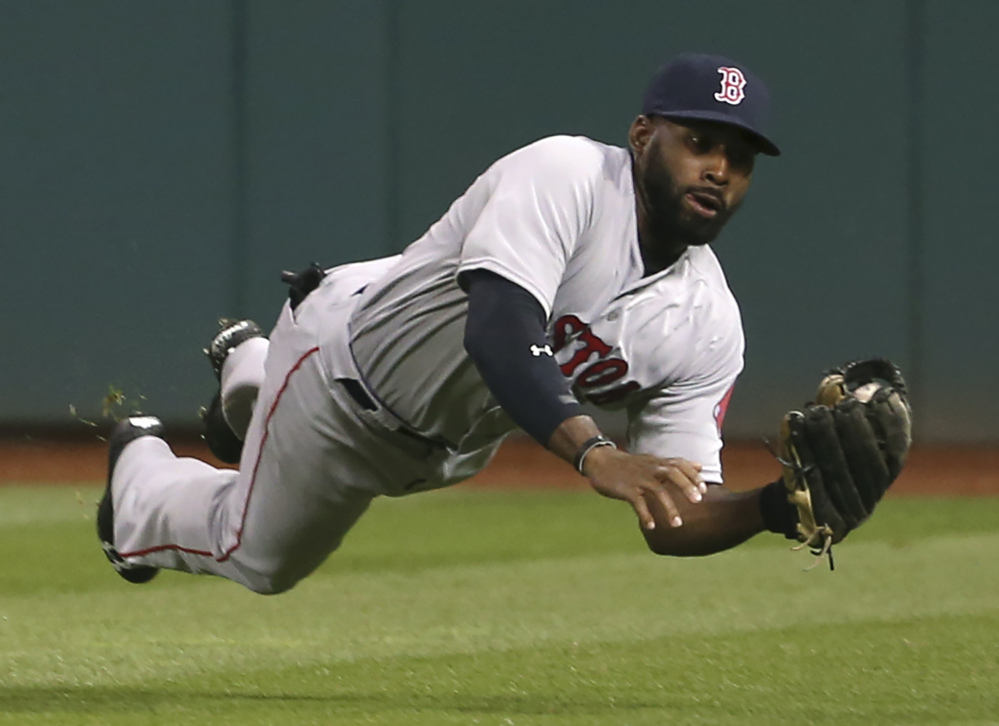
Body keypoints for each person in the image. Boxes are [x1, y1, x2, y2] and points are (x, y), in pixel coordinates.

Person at [97, 53, 804, 593]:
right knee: (257, 557)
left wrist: (774, 507)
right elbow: (498, 327)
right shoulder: (568, 176)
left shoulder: (708, 323)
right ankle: (138, 478)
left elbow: (677, 511)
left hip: (444, 445)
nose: (717, 170)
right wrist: (598, 455)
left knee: (351, 444)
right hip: (338, 378)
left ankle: (248, 370)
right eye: (698, 142)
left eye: (738, 159)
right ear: (643, 133)